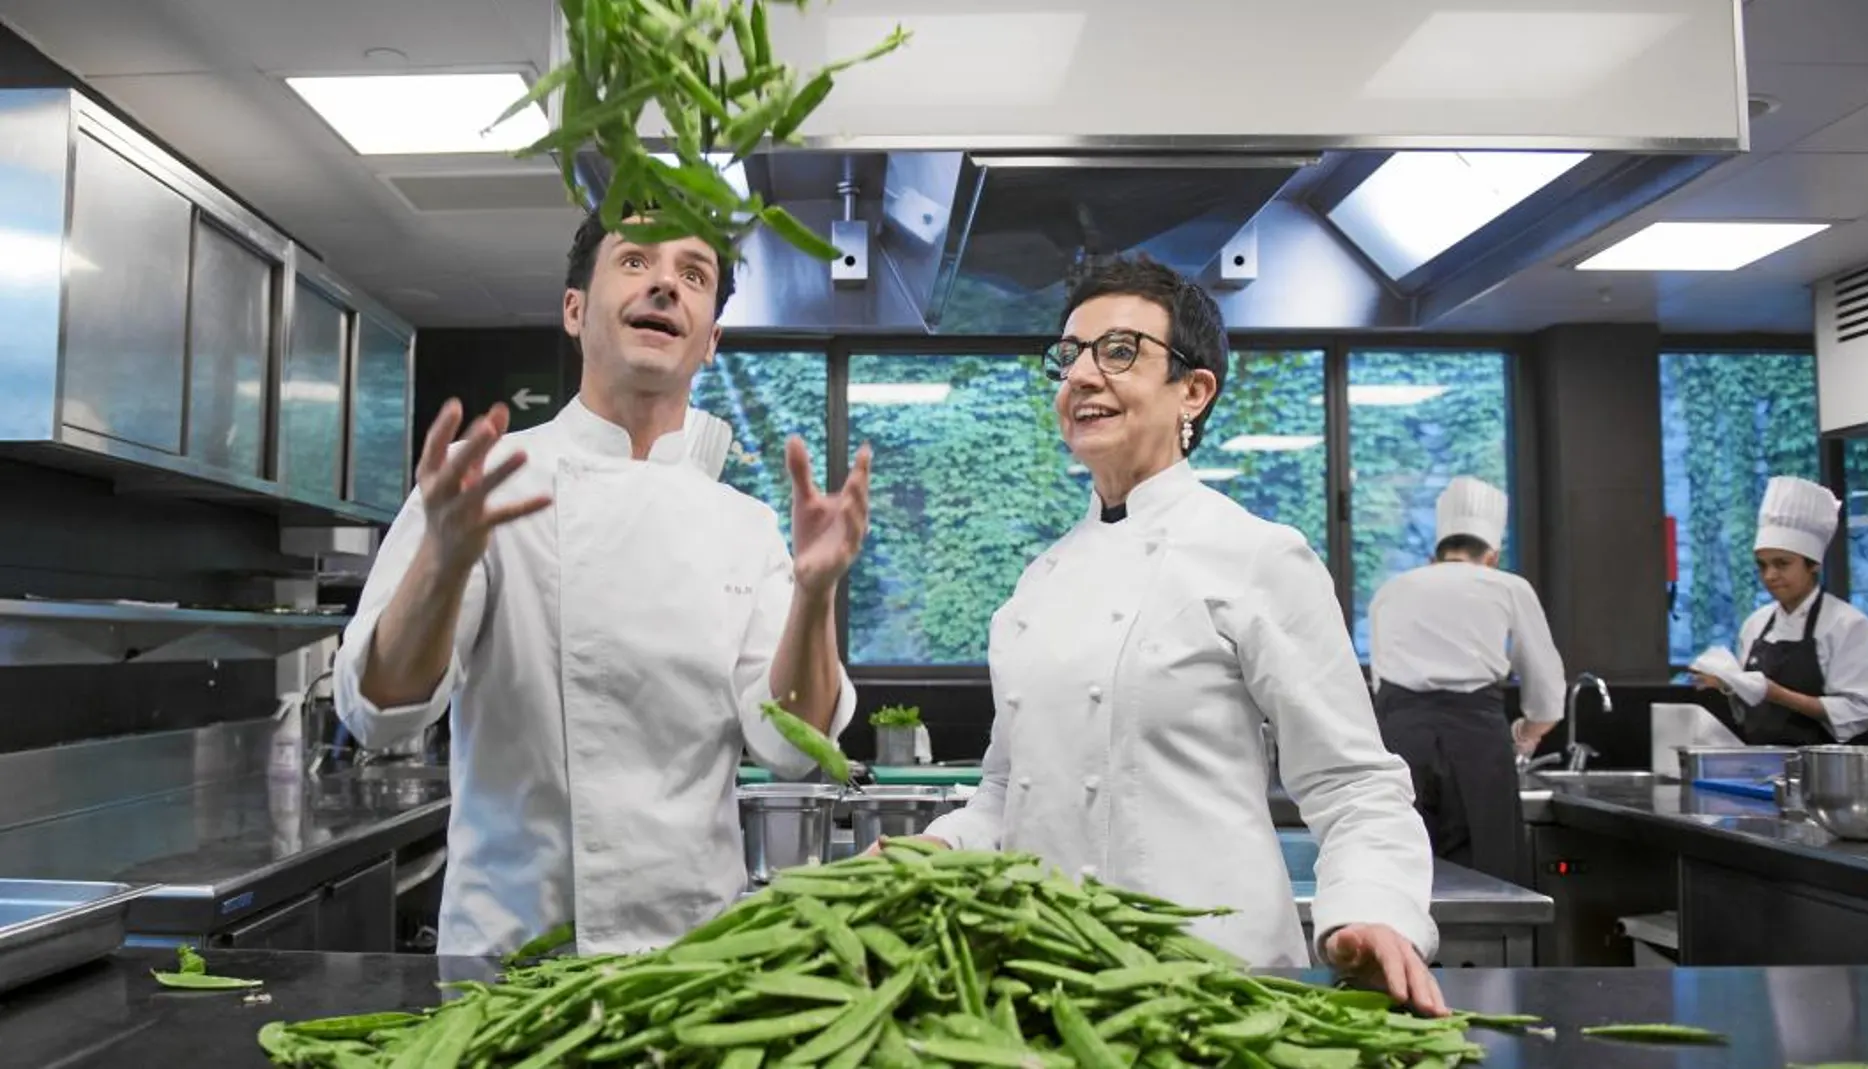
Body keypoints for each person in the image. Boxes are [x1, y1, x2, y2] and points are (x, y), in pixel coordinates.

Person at [333, 207, 872, 957]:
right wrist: (442, 564)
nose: (664, 284)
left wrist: (816, 596)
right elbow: (378, 715)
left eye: (693, 273)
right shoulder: (485, 482)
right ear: (574, 309)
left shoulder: (744, 523)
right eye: (635, 260)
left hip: (693, 960)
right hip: (516, 954)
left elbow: (793, 745)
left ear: (711, 339)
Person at [916, 256, 1446, 1014]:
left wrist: (1371, 909)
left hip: (1220, 987)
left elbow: (1352, 783)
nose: (1083, 376)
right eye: (1069, 356)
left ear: (1193, 390)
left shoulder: (1257, 555)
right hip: (1049, 988)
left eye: (1121, 351)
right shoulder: (1040, 580)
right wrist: (934, 847)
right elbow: (1008, 794)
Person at [1366, 477, 1564, 884]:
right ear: (1491, 556)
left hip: (1399, 741)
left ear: (1433, 555)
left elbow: (1378, 682)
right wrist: (1527, 733)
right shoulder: (1509, 587)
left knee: (1401, 871)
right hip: (1478, 741)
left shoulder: (1391, 589)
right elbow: (1547, 691)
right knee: (1486, 876)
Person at [1692, 475, 1868, 745]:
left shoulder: (1847, 625)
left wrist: (1775, 693)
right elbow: (1747, 714)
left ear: (1814, 565)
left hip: (1823, 771)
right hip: (1760, 767)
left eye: (1782, 564)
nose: (1770, 575)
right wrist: (1728, 686)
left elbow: (1862, 710)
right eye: (1762, 565)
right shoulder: (1755, 624)